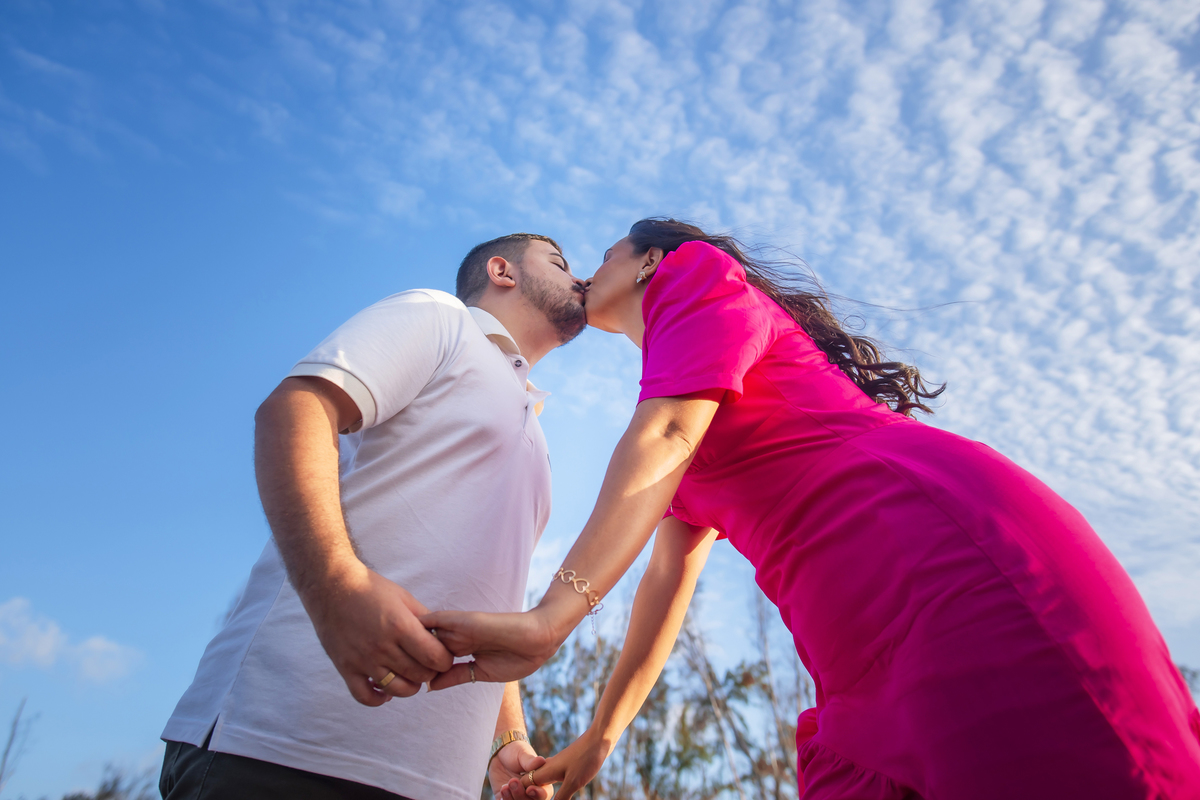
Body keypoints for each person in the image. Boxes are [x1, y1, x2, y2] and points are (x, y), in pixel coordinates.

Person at [425, 219, 1200, 800]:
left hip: (938, 550)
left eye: (601, 255)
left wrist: (549, 621)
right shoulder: (677, 383)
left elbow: (663, 435)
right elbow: (666, 583)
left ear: (650, 260)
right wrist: (601, 737)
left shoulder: (694, 279)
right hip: (853, 640)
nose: (590, 269)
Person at [159, 233, 587, 800]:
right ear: (502, 271)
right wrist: (337, 584)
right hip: (282, 747)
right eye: (558, 263)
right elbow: (298, 406)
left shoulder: (535, 429)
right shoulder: (441, 318)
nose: (579, 277)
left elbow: (494, 593)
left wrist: (504, 736)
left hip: (435, 781)